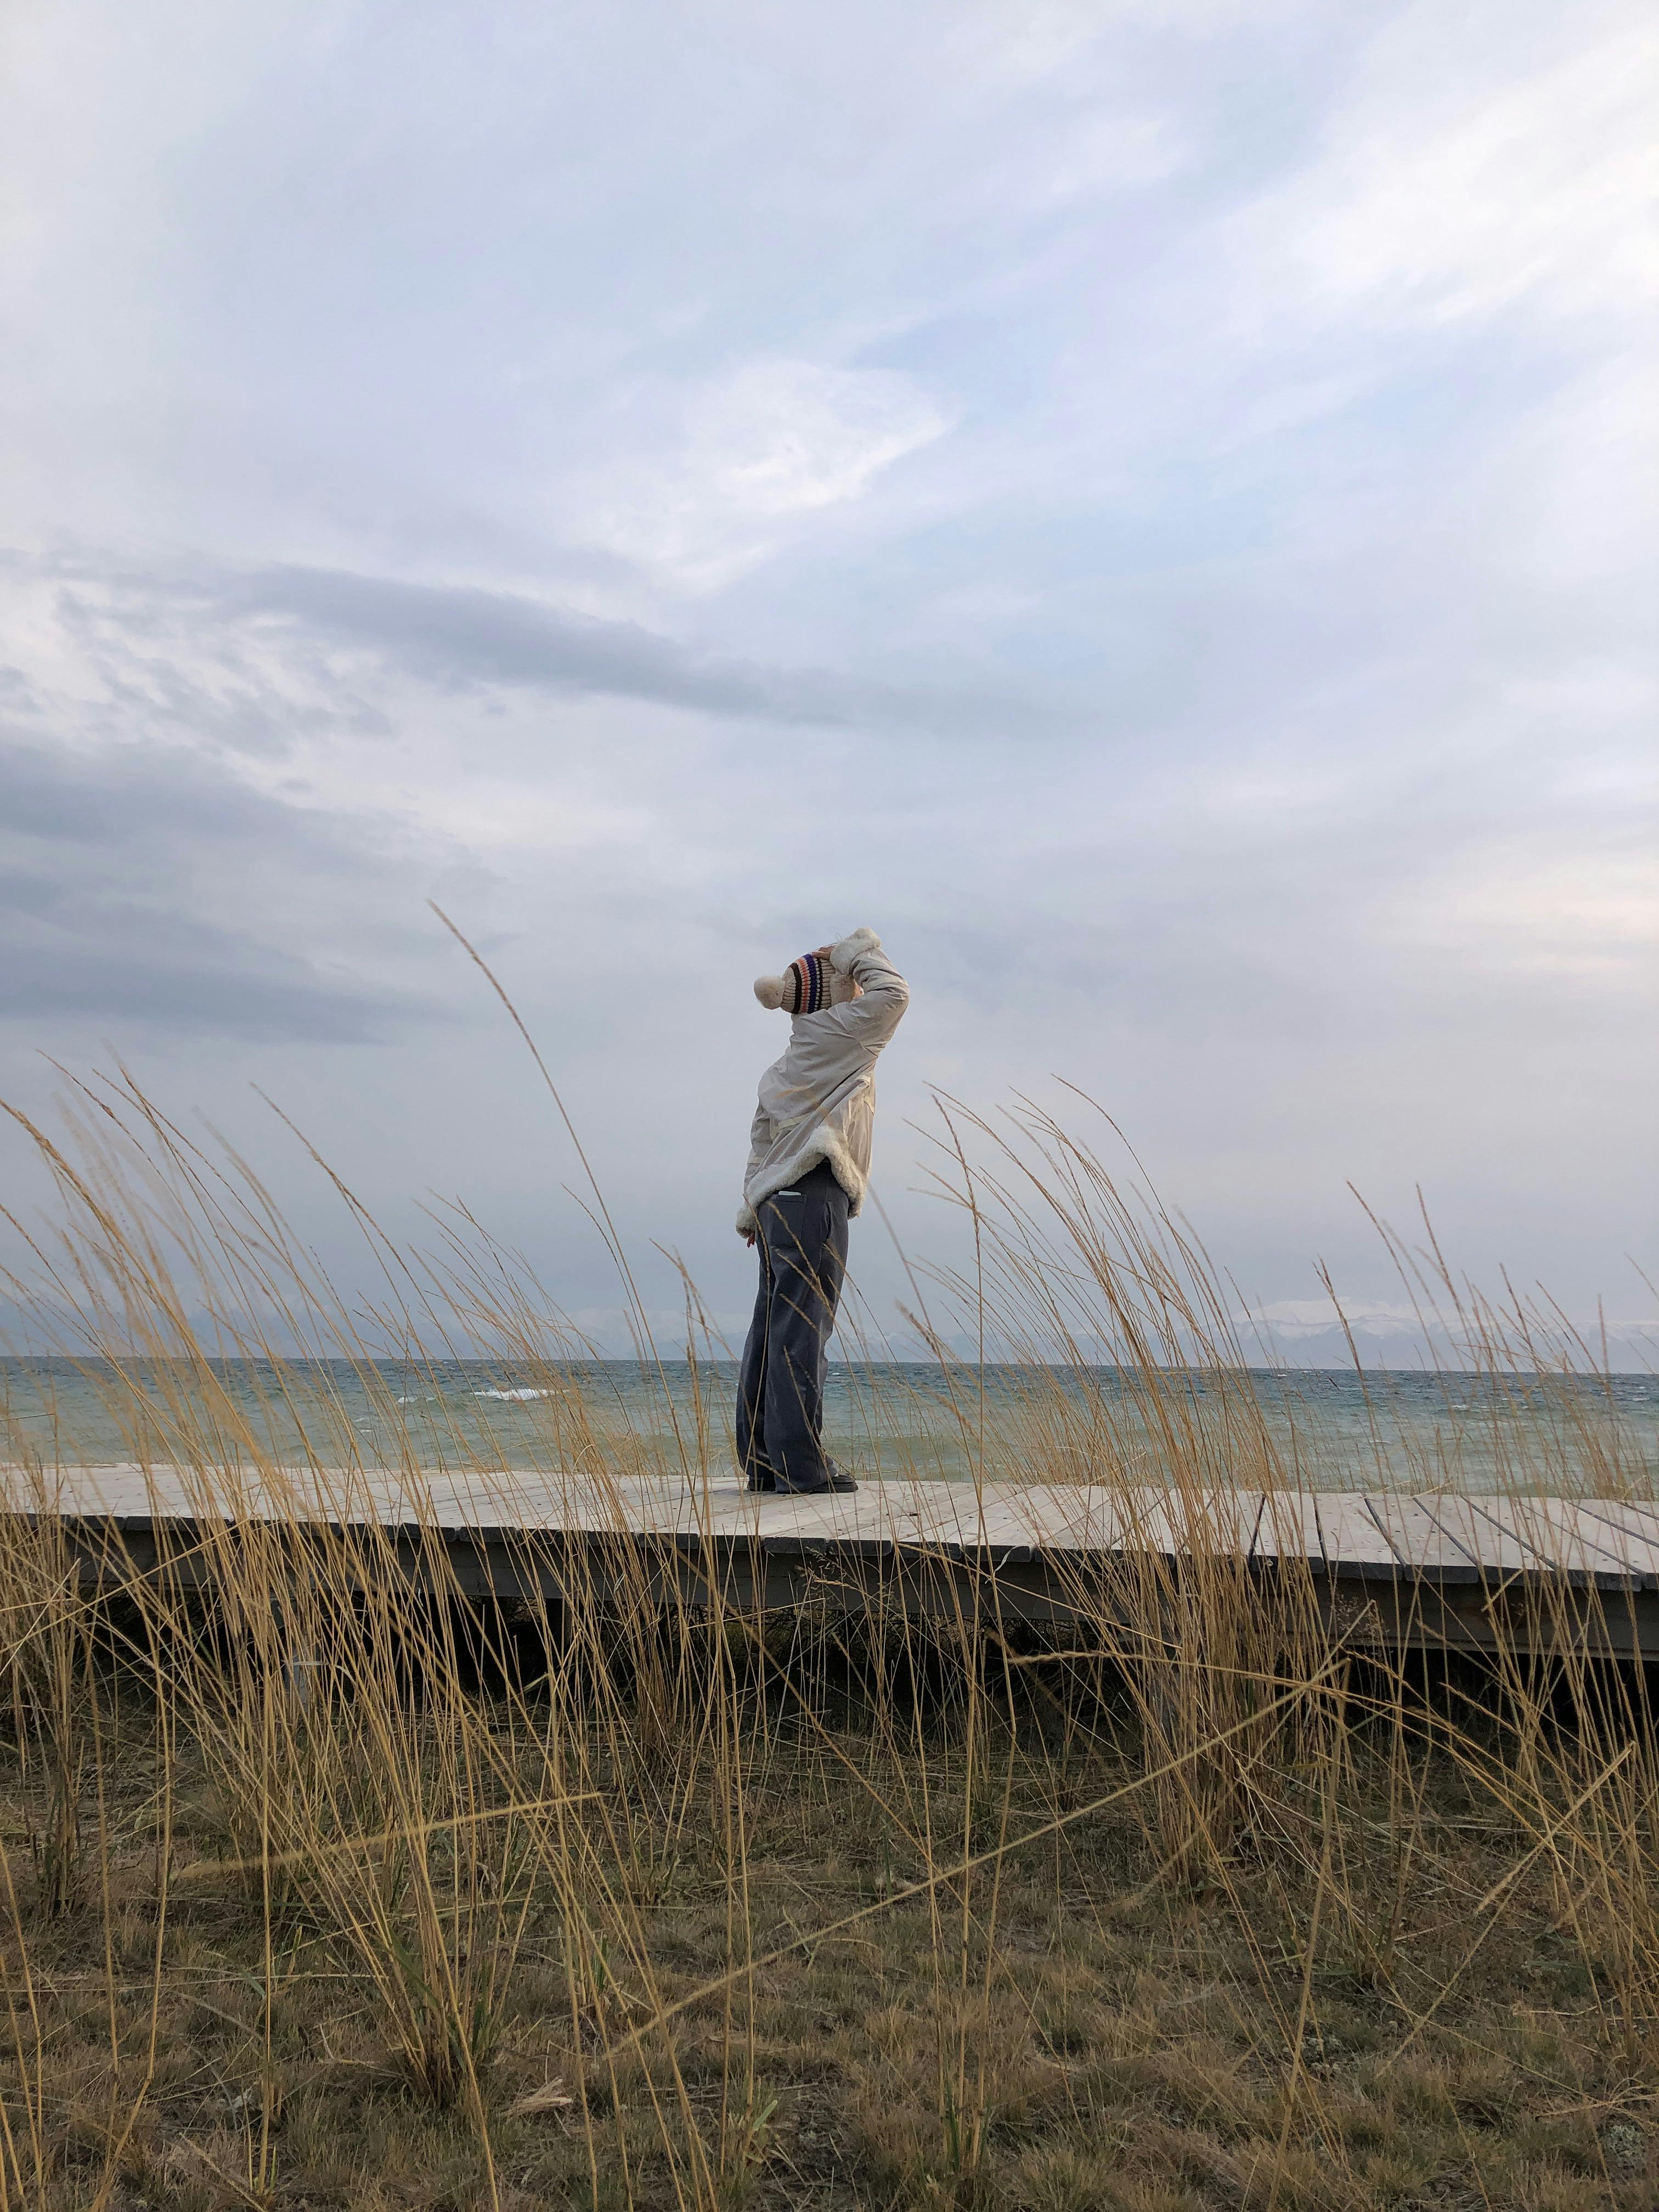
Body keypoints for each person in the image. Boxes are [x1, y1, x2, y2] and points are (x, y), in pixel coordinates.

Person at [735, 927, 910, 1495]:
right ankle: (802, 1468)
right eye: (847, 984)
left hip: (775, 1203)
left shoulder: (788, 1060)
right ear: (834, 992)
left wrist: (751, 1210)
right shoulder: (841, 1035)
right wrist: (856, 952)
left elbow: (761, 1144)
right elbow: (895, 995)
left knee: (772, 1327)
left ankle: (763, 1460)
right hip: (813, 1195)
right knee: (805, 1332)